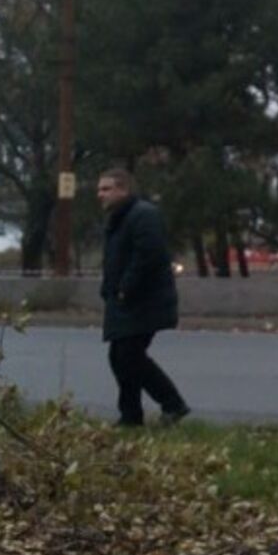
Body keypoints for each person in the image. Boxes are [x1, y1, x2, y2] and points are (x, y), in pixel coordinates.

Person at [96, 168, 189, 428]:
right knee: (120, 358)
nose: (100, 194)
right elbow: (116, 259)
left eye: (106, 189)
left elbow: (148, 255)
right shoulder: (120, 218)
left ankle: (173, 404)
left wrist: (126, 288)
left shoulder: (143, 215)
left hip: (144, 301)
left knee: (129, 356)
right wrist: (109, 289)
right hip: (126, 302)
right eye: (99, 189)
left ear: (123, 189)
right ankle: (130, 416)